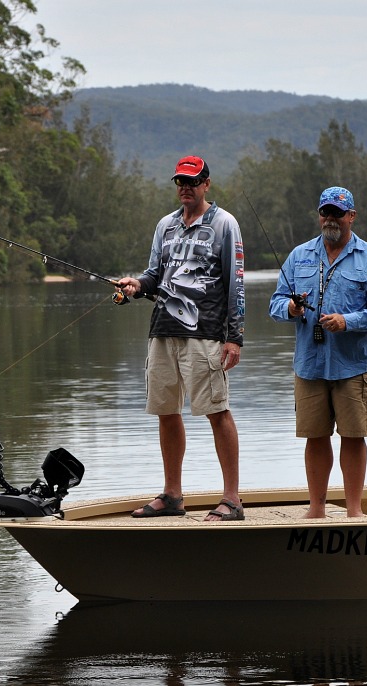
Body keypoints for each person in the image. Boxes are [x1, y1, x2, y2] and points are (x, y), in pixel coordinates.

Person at [117, 156, 246, 521]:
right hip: (162, 331)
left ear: (206, 183)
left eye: (192, 181)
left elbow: (236, 283)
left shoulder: (224, 223)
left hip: (205, 334)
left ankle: (232, 499)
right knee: (166, 411)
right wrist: (136, 285)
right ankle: (172, 496)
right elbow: (155, 274)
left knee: (217, 412)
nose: (185, 188)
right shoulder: (166, 225)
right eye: (180, 182)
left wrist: (234, 337)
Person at [269, 186, 367, 518]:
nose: (331, 219)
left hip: (354, 365)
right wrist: (292, 310)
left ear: (351, 217)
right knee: (315, 436)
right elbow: (275, 303)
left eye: (338, 213)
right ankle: (316, 509)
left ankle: (353, 511)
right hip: (309, 364)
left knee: (354, 437)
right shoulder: (299, 256)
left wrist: (348, 321)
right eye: (325, 212)